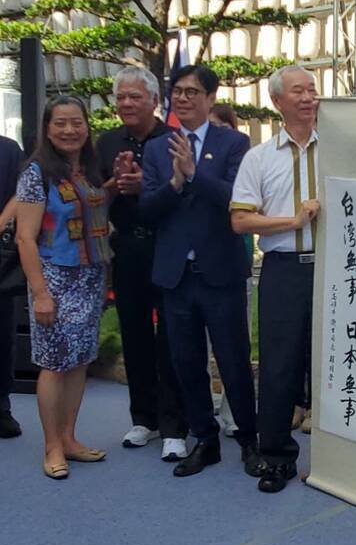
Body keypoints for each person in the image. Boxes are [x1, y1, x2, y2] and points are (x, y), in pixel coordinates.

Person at [140, 65, 260, 478]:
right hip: (176, 276)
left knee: (233, 360)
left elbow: (237, 198)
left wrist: (194, 174)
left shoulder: (234, 143)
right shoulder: (158, 148)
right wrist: (174, 184)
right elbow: (147, 210)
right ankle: (205, 440)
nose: (184, 98)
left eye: (193, 92)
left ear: (210, 98)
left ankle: (249, 439)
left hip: (220, 271)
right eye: (178, 91)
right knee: (186, 362)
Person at [230, 65, 319, 493]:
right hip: (283, 269)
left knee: (335, 362)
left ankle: (342, 459)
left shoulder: (339, 149)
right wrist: (294, 220)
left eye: (312, 90)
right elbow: (241, 220)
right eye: (298, 91)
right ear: (278, 102)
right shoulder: (259, 157)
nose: (307, 98)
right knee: (279, 364)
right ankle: (276, 456)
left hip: (336, 269)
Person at [15, 95, 112, 479]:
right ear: (47, 128)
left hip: (89, 277)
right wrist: (40, 292)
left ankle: (70, 438)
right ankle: (52, 445)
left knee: (79, 361)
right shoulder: (36, 173)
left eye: (76, 122)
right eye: (60, 123)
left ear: (86, 127)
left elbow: (94, 211)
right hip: (53, 278)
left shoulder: (88, 168)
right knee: (54, 364)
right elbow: (25, 238)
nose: (70, 130)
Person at [97, 67, 187, 461]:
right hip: (127, 250)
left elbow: (182, 197)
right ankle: (143, 417)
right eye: (121, 98)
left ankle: (174, 425)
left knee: (171, 338)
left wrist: (145, 188)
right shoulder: (105, 143)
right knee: (134, 334)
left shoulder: (173, 140)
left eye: (135, 97)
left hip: (166, 249)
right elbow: (92, 199)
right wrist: (115, 188)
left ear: (154, 101)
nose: (127, 104)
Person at [208, 103, 255, 439]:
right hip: (196, 267)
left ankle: (235, 413)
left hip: (234, 264)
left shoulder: (243, 161)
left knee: (234, 345)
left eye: (219, 127)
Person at [0, 134, 24, 438]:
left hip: (0, 255)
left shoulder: (8, 149)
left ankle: (1, 406)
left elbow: (23, 192)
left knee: (2, 332)